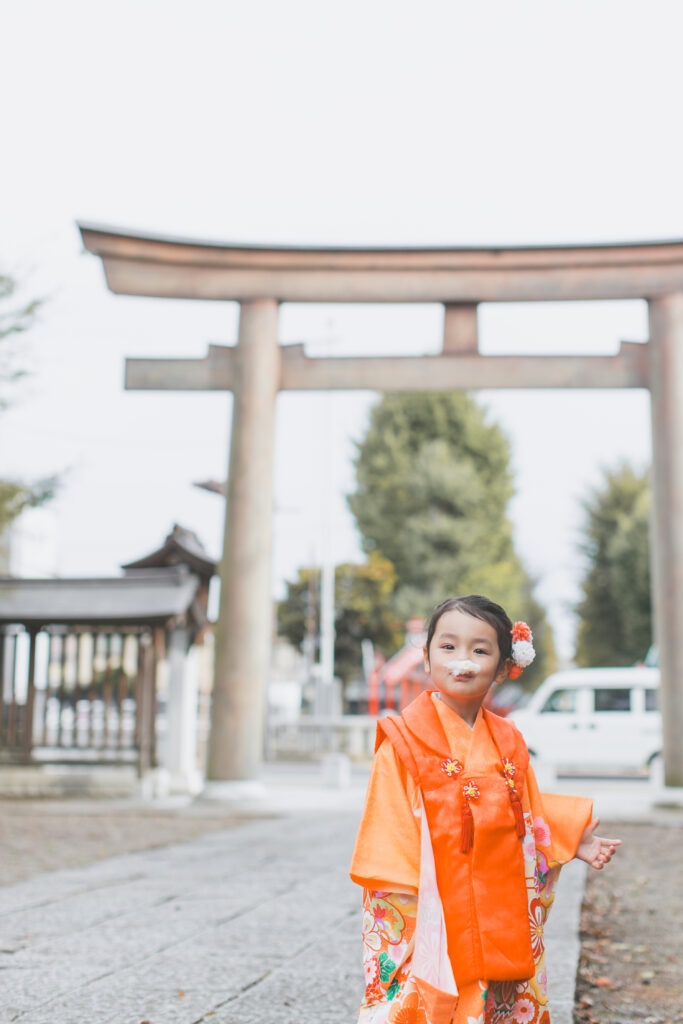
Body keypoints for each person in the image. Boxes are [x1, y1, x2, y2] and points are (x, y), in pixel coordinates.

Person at [350, 594, 621, 1024]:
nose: (464, 660)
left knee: (499, 997)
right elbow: (389, 830)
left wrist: (574, 835)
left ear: (502, 667)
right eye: (448, 646)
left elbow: (525, 816)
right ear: (426, 657)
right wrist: (411, 914)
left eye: (480, 650)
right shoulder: (402, 739)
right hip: (432, 903)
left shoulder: (509, 739)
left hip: (500, 901)